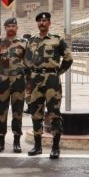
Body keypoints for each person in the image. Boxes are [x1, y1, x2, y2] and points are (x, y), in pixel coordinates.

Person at [25, 12, 73, 158]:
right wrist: (29, 79)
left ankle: (55, 147)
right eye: (39, 21)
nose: (42, 23)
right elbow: (26, 61)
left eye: (45, 21)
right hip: (35, 79)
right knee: (36, 112)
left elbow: (68, 58)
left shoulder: (57, 40)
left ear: (49, 23)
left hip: (52, 79)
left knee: (54, 113)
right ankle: (37, 146)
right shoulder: (31, 41)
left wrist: (58, 72)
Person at [0, 17, 27, 153]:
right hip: (2, 82)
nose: (11, 28)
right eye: (9, 26)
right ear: (5, 28)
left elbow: (28, 62)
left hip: (18, 82)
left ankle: (16, 141)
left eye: (14, 26)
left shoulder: (24, 43)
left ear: (17, 28)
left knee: (17, 112)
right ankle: (1, 140)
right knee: (1, 112)